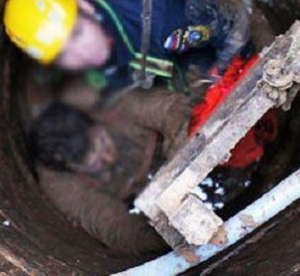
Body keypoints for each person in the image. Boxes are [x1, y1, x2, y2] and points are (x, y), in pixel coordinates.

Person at [3, 0, 249, 93]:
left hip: (185, 9)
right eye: (61, 55)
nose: (82, 54)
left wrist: (226, 71)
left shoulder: (164, 22)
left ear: (85, 5)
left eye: (76, 33)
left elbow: (233, 25)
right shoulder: (72, 5)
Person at [28, 88, 191, 255]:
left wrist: (180, 165)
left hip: (177, 165)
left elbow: (171, 110)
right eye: (97, 163)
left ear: (94, 122)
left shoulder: (111, 103)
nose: (108, 158)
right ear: (73, 168)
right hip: (144, 206)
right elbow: (115, 226)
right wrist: (166, 237)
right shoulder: (60, 186)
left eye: (103, 143)